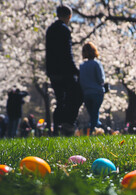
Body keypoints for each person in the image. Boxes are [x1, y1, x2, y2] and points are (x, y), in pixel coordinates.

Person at [46, 5, 83, 136]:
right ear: (69, 16)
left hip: (53, 72)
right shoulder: (64, 30)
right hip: (65, 71)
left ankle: (56, 129)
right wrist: (76, 70)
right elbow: (67, 53)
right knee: (77, 95)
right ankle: (67, 125)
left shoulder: (50, 29)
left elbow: (49, 53)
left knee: (59, 100)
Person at [79, 42, 105, 134]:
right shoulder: (96, 64)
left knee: (92, 114)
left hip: (86, 93)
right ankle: (94, 131)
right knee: (95, 113)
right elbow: (101, 79)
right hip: (97, 92)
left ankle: (94, 129)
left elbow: (81, 81)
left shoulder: (82, 66)